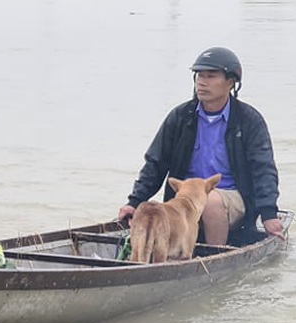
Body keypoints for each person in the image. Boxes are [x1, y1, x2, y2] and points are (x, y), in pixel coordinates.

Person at [118, 46, 283, 247]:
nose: (202, 82)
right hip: (184, 199)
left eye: (211, 76)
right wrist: (134, 202)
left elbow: (263, 169)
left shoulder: (249, 120)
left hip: (231, 198)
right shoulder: (180, 117)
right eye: (199, 76)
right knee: (151, 211)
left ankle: (214, 257)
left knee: (211, 201)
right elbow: (155, 163)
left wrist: (268, 213)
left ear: (231, 82)